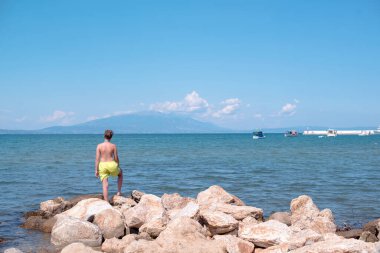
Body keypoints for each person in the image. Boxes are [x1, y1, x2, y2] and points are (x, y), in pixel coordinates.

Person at [95, 129, 123, 202]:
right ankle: (119, 192)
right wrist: (118, 165)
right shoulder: (113, 146)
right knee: (120, 174)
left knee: (105, 184)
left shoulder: (99, 146)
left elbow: (97, 159)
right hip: (111, 164)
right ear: (111, 137)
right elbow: (116, 157)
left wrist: (96, 170)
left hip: (102, 165)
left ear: (104, 136)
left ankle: (106, 201)